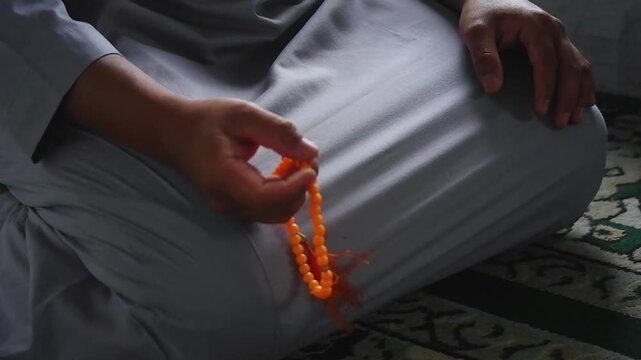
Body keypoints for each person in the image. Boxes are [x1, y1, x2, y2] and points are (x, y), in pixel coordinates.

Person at [0, 0, 605, 359]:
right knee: (221, 300)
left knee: (560, 126)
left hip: (308, 14)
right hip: (93, 61)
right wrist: (167, 126)